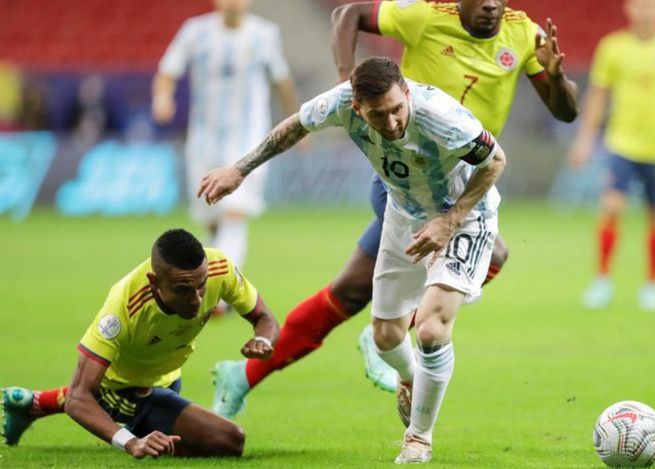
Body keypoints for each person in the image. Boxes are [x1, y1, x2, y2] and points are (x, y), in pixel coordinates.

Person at [210, 0, 578, 418]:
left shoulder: (524, 33)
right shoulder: (423, 15)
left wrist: (557, 77)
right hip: (403, 172)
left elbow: (566, 113)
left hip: (460, 177)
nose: (492, 5)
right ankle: (394, 330)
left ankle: (245, 375)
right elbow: (345, 14)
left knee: (349, 291)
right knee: (490, 253)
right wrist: (348, 86)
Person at [200, 56, 506, 464]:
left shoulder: (440, 116)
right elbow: (293, 127)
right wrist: (239, 170)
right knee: (384, 337)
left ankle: (418, 439)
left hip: (464, 218)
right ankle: (411, 378)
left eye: (398, 109)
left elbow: (495, 161)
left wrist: (450, 222)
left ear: (407, 93)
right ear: (358, 108)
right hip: (404, 214)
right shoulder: (340, 103)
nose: (393, 123)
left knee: (431, 330)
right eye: (379, 115)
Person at [1, 229, 279, 459]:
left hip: (168, 378)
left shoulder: (220, 268)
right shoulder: (122, 307)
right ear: (154, 282)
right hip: (125, 391)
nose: (196, 300)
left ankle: (35, 403)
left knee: (189, 439)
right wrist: (131, 442)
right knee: (229, 440)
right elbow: (78, 398)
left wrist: (262, 339)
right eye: (183, 290)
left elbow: (265, 317)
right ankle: (41, 404)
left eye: (202, 285)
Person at [152, 0, 299, 279]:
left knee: (235, 210)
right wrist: (162, 97)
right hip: (204, 138)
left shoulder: (264, 34)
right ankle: (218, 275)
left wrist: (298, 124)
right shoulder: (195, 32)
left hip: (249, 139)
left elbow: (282, 81)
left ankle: (219, 289)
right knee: (213, 214)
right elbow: (168, 70)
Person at [569, 0, 655, 312]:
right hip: (621, 143)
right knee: (612, 207)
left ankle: (652, 286)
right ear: (629, 9)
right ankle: (602, 280)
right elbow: (598, 96)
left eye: (652, 6)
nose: (646, 11)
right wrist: (585, 140)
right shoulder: (613, 47)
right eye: (640, 5)